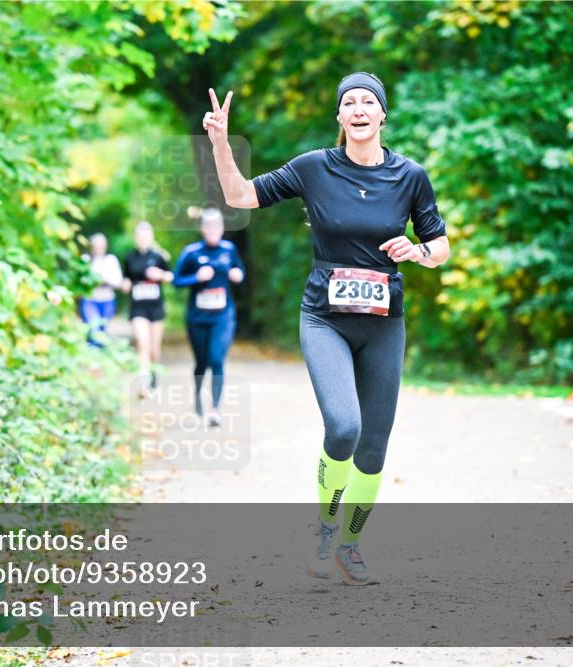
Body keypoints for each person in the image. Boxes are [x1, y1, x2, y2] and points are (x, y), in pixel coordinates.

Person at [202, 72, 450, 584]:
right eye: (349, 102)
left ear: (382, 115)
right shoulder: (314, 167)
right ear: (339, 116)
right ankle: (324, 526)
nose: (359, 109)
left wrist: (418, 251)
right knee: (343, 427)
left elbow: (440, 246)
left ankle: (350, 547)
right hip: (325, 319)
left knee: (374, 447)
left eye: (368, 102)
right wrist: (221, 143)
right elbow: (240, 196)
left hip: (383, 324)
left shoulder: (411, 176)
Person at [172, 207, 245, 427]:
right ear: (202, 228)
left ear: (222, 228)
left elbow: (240, 271)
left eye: (216, 225)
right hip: (197, 318)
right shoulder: (192, 252)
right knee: (201, 362)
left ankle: (214, 410)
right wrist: (196, 277)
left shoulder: (229, 249)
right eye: (208, 226)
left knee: (216, 359)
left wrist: (237, 274)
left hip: (223, 315)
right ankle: (197, 394)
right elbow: (176, 280)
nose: (213, 229)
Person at [121, 221, 174, 397]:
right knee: (143, 344)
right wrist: (126, 284)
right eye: (139, 235)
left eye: (146, 235)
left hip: (155, 307)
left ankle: (154, 378)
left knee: (154, 349)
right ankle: (143, 383)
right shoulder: (129, 257)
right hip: (138, 307)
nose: (142, 238)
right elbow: (126, 278)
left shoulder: (159, 257)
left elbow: (171, 276)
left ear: (151, 237)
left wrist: (161, 275)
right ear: (135, 237)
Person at [79, 233, 123, 348]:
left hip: (107, 300)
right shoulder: (85, 259)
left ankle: (100, 355)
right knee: (94, 329)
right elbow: (79, 281)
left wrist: (103, 279)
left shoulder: (111, 260)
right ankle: (93, 354)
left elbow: (118, 282)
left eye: (101, 244)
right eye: (96, 244)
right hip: (89, 300)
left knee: (103, 331)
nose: (99, 247)